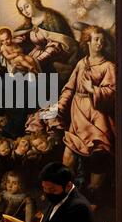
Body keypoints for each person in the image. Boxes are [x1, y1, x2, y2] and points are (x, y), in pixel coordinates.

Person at [47, 25, 115, 202]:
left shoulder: (108, 66)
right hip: (78, 114)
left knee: (98, 155)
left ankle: (93, 198)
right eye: (96, 39)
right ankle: (64, 193)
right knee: (68, 154)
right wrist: (60, 107)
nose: (100, 43)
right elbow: (69, 87)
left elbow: (113, 92)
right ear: (88, 42)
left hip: (96, 116)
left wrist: (93, 89)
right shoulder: (81, 63)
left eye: (102, 39)